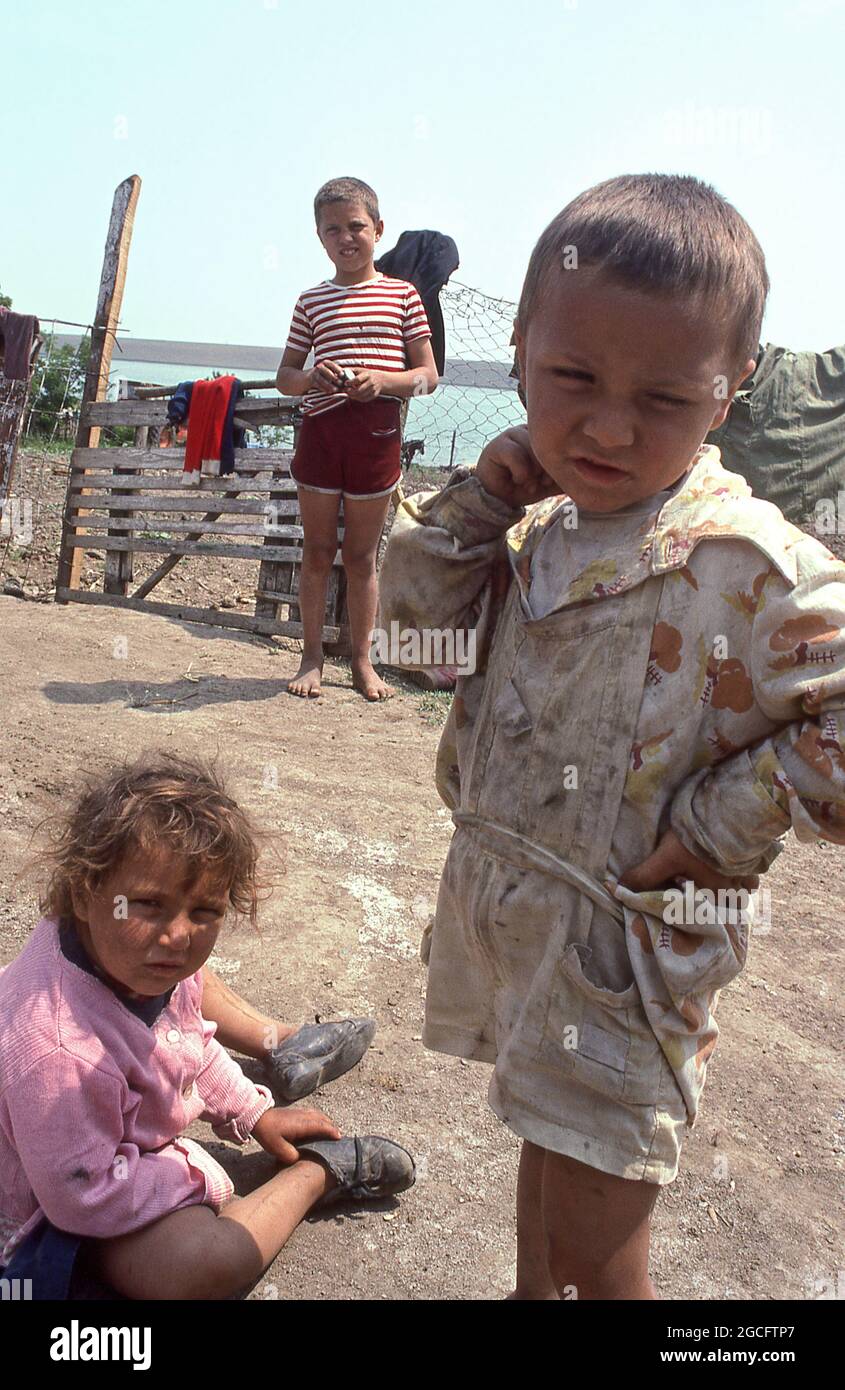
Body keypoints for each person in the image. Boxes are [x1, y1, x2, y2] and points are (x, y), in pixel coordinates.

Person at [379, 173, 845, 1300]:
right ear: (520, 355)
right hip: (528, 920)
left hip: (630, 952)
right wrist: (475, 505)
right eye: (571, 379)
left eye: (664, 398)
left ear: (727, 394)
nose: (604, 426)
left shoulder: (741, 562)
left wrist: (717, 830)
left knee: (600, 1243)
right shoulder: (544, 529)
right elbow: (408, 646)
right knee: (548, 1141)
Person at [0, 754, 415, 1300]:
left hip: (101, 1158)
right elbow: (82, 1199)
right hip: (55, 1201)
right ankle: (317, 1175)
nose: (178, 935)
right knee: (199, 1267)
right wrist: (195, 1176)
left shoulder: (139, 962)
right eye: (148, 904)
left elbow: (189, 1039)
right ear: (83, 891)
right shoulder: (60, 1050)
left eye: (204, 912)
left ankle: (285, 1057)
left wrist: (254, 1110)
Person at [276, 176, 439, 701]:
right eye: (332, 230)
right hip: (322, 436)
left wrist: (383, 382)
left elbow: (427, 377)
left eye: (356, 227)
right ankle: (310, 658)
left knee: (362, 556)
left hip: (376, 437)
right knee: (319, 550)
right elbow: (286, 377)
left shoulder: (404, 295)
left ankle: (363, 663)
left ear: (378, 229)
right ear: (320, 239)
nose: (346, 238)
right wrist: (312, 376)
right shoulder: (311, 301)